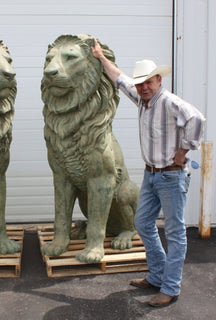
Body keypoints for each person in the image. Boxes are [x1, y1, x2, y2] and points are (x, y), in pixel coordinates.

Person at [92, 38, 205, 307]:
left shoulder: (168, 102)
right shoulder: (143, 99)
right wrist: (100, 56)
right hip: (152, 175)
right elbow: (119, 78)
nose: (143, 87)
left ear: (158, 80)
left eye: (148, 82)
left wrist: (183, 151)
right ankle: (156, 275)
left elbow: (197, 119)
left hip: (171, 176)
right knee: (142, 223)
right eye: (140, 83)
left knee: (176, 233)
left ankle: (170, 287)